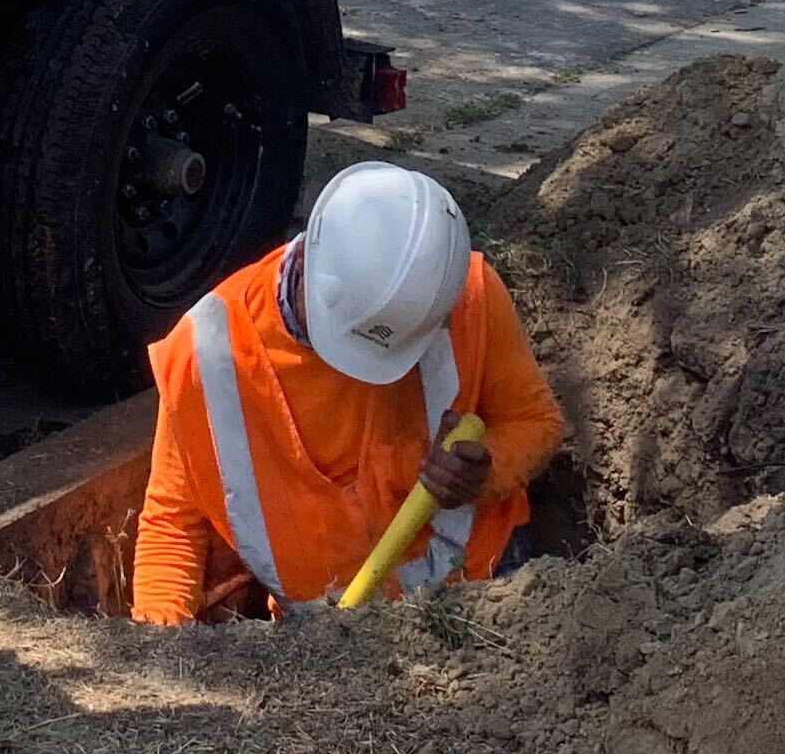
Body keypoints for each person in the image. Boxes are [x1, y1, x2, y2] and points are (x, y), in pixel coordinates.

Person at [131, 164, 564, 624]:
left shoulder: (466, 296)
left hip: (482, 596)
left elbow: (537, 423)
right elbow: (173, 526)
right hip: (323, 648)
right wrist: (157, 653)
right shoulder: (207, 356)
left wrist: (486, 470)